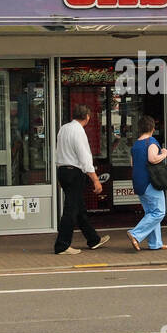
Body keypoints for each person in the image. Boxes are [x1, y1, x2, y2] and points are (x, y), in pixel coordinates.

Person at [53, 104, 109, 255]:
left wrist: (59, 172)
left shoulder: (64, 128)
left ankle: (93, 239)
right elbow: (85, 158)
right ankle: (62, 245)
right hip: (74, 172)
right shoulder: (79, 131)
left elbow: (59, 152)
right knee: (71, 210)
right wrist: (95, 180)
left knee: (79, 208)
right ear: (88, 117)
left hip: (63, 170)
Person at [127, 115, 167, 251]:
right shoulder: (151, 141)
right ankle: (135, 233)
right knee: (159, 212)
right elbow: (152, 159)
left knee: (151, 212)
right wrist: (164, 154)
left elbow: (132, 163)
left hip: (138, 183)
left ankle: (155, 243)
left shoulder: (136, 144)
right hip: (150, 182)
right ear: (152, 128)